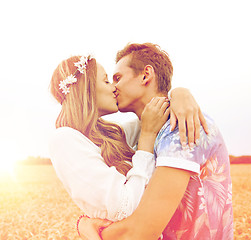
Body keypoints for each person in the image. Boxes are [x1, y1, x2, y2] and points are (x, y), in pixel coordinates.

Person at [80, 43, 233, 239]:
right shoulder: (143, 135)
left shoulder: (182, 126)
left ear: (145, 75)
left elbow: (141, 231)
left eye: (118, 78)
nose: (113, 87)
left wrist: (88, 227)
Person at [48, 53, 207, 238]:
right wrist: (146, 138)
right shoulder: (64, 138)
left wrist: (180, 93)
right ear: (87, 89)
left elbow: (152, 112)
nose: (114, 88)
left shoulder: (110, 134)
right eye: (106, 81)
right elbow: (126, 209)